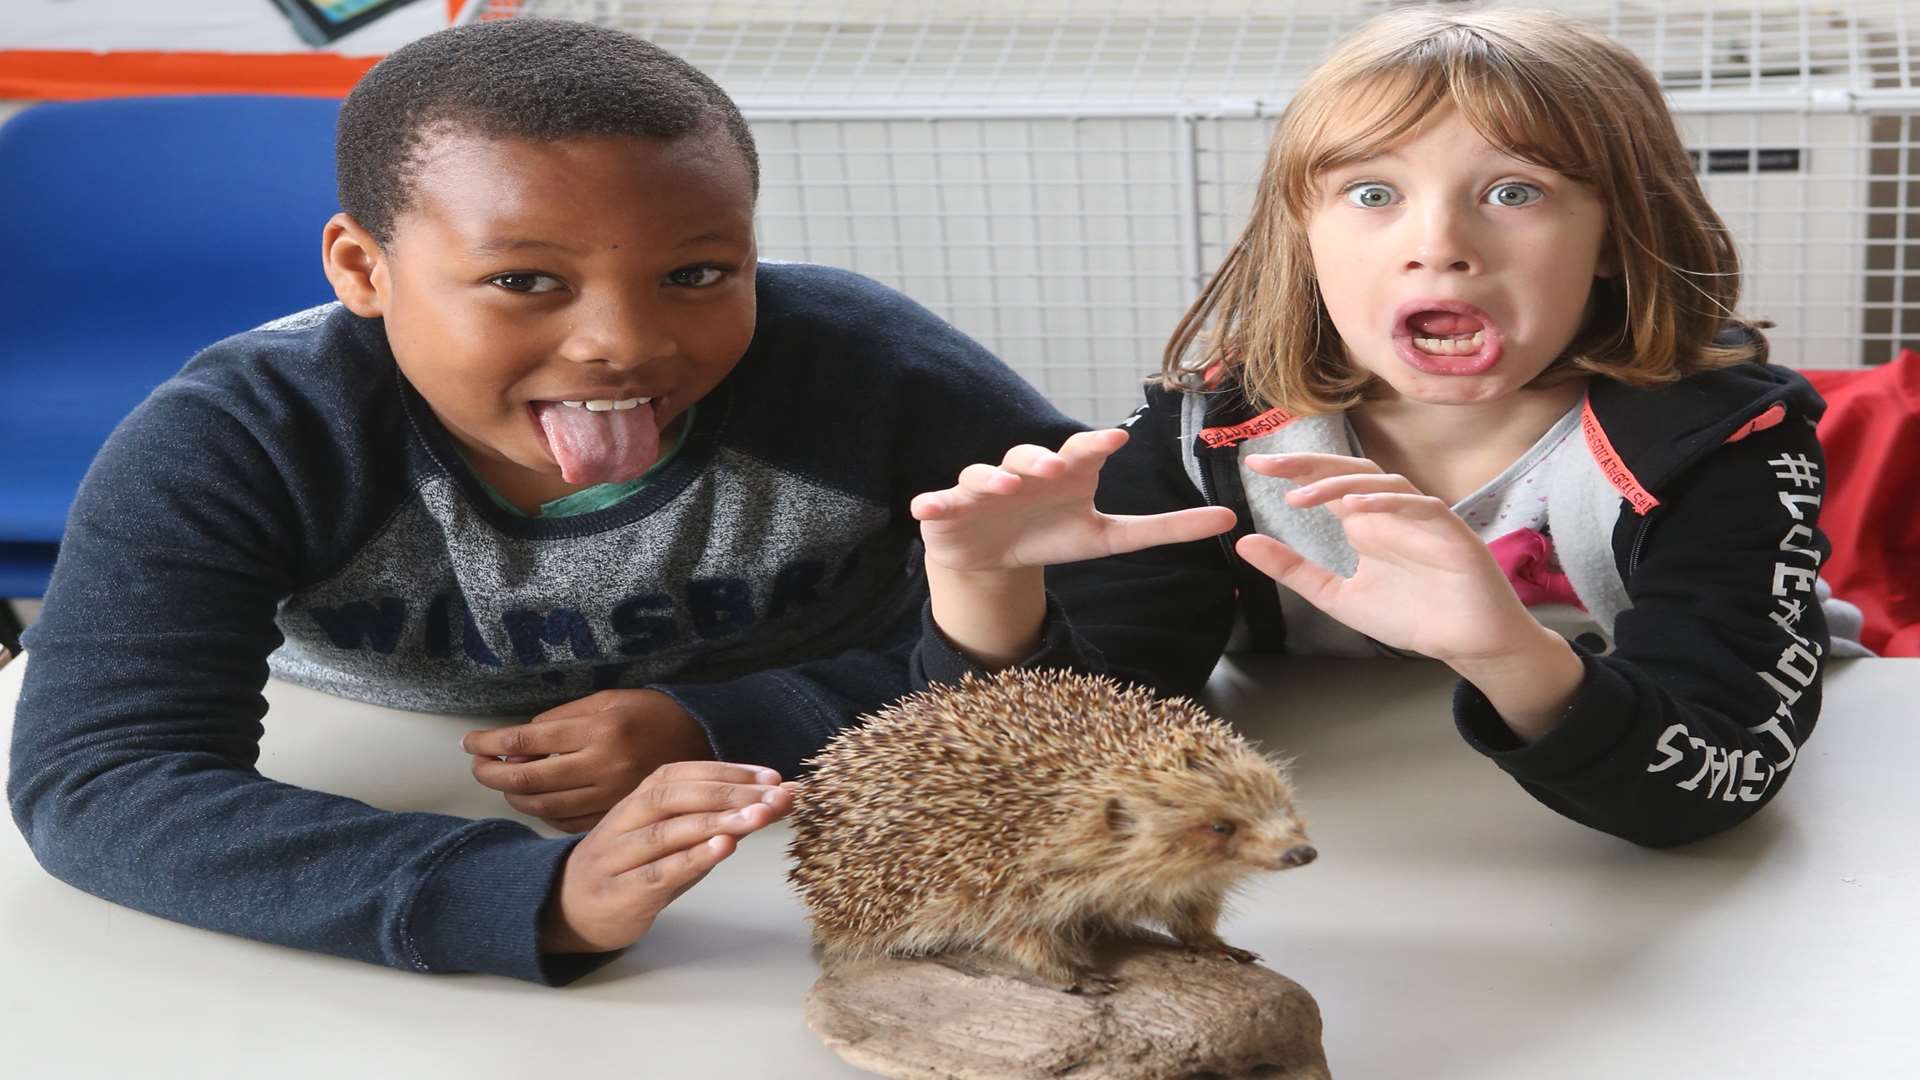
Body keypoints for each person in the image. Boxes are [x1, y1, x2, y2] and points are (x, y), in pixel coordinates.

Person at [7, 19, 1079, 984]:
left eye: (699, 275)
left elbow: (1128, 590)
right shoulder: (249, 435)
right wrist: (528, 895)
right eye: (525, 281)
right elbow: (104, 777)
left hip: (834, 804)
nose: (624, 343)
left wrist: (728, 724)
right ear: (361, 268)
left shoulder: (863, 367)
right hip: (378, 748)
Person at [907, 7, 1868, 849]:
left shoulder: (1728, 442)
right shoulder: (1211, 437)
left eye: (1514, 192)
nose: (1439, 244)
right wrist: (988, 596)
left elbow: (1716, 781)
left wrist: (1508, 653)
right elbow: (1069, 767)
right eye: (1373, 194)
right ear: (1306, 234)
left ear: (1616, 236)